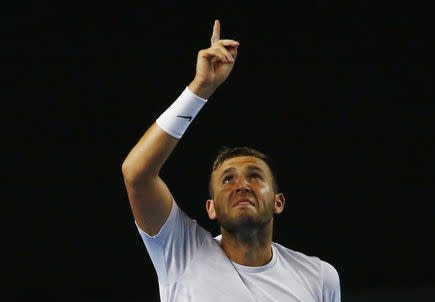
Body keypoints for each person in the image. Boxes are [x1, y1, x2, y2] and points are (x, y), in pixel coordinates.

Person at [122, 20, 341, 302]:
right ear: (210, 208)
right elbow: (136, 173)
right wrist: (201, 87)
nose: (242, 185)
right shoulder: (181, 252)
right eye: (228, 179)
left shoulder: (319, 277)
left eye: (255, 176)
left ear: (278, 201)